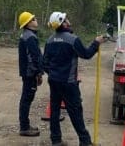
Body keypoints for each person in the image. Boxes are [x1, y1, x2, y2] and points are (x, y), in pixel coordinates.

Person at [43, 11, 104, 146]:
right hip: (69, 83)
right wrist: (96, 43)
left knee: (54, 110)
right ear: (63, 23)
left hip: (54, 81)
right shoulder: (72, 39)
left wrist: (53, 74)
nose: (69, 21)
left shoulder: (49, 40)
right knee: (75, 111)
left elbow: (45, 63)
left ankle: (56, 140)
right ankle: (85, 141)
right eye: (66, 19)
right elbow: (86, 54)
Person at [17, 11, 44, 137]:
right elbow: (34, 57)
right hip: (30, 73)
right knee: (26, 99)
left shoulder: (27, 35)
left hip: (27, 72)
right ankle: (24, 127)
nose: (36, 20)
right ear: (28, 23)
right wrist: (39, 73)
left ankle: (25, 125)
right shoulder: (30, 37)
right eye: (33, 19)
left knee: (26, 99)